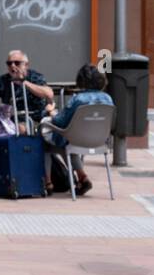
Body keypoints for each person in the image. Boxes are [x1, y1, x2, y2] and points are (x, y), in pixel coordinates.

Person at [40, 64, 114, 196]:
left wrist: (51, 112)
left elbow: (60, 122)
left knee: (46, 140)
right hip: (100, 142)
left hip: (76, 139)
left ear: (81, 80)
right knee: (69, 142)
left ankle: (48, 183)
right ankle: (82, 177)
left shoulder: (77, 99)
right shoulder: (108, 99)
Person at [0, 49, 55, 128]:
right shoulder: (4, 80)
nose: (13, 66)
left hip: (33, 120)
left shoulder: (34, 77)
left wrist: (23, 82)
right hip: (9, 121)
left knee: (21, 128)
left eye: (17, 63)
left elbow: (49, 94)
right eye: (9, 63)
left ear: (26, 65)